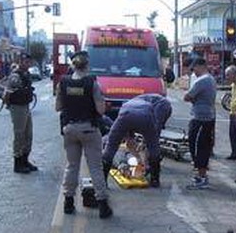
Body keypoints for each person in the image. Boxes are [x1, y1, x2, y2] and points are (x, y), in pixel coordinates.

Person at [55, 51, 112, 218]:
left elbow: (58, 107)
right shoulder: (92, 83)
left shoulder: (63, 83)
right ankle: (102, 205)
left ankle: (68, 203)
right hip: (89, 129)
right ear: (87, 66)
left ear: (73, 65)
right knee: (95, 167)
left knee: (72, 166)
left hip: (70, 130)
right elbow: (100, 110)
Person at [102, 94, 172, 188]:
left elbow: (129, 140)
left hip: (125, 115)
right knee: (153, 146)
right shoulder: (165, 105)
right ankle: (154, 180)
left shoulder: (133, 102)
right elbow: (156, 130)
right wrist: (144, 161)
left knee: (111, 146)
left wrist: (139, 156)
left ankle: (102, 181)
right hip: (145, 117)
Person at [184, 58, 217, 189]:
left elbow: (187, 96)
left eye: (194, 68)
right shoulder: (209, 79)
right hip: (204, 116)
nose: (194, 71)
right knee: (200, 146)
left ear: (201, 66)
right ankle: (200, 175)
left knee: (199, 147)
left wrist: (192, 98)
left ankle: (202, 177)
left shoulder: (203, 80)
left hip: (202, 119)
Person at [2, 53, 37, 174]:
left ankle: (25, 160)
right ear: (20, 62)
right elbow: (7, 93)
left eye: (29, 62)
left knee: (28, 134)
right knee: (19, 135)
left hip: (26, 106)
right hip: (17, 107)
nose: (27, 64)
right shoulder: (15, 76)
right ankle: (18, 163)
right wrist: (9, 106)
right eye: (25, 62)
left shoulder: (26, 74)